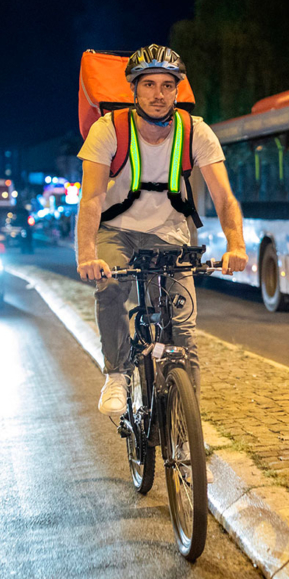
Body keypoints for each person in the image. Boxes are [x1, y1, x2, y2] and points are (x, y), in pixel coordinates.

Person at [76, 44, 248, 415]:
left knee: (182, 333)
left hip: (169, 235)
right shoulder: (109, 129)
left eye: (167, 85)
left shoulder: (195, 131)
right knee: (110, 287)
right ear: (133, 90)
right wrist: (87, 255)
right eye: (149, 84)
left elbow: (224, 197)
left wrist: (237, 245)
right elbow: (91, 199)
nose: (158, 94)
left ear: (176, 90)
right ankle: (117, 374)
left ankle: (187, 437)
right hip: (116, 230)